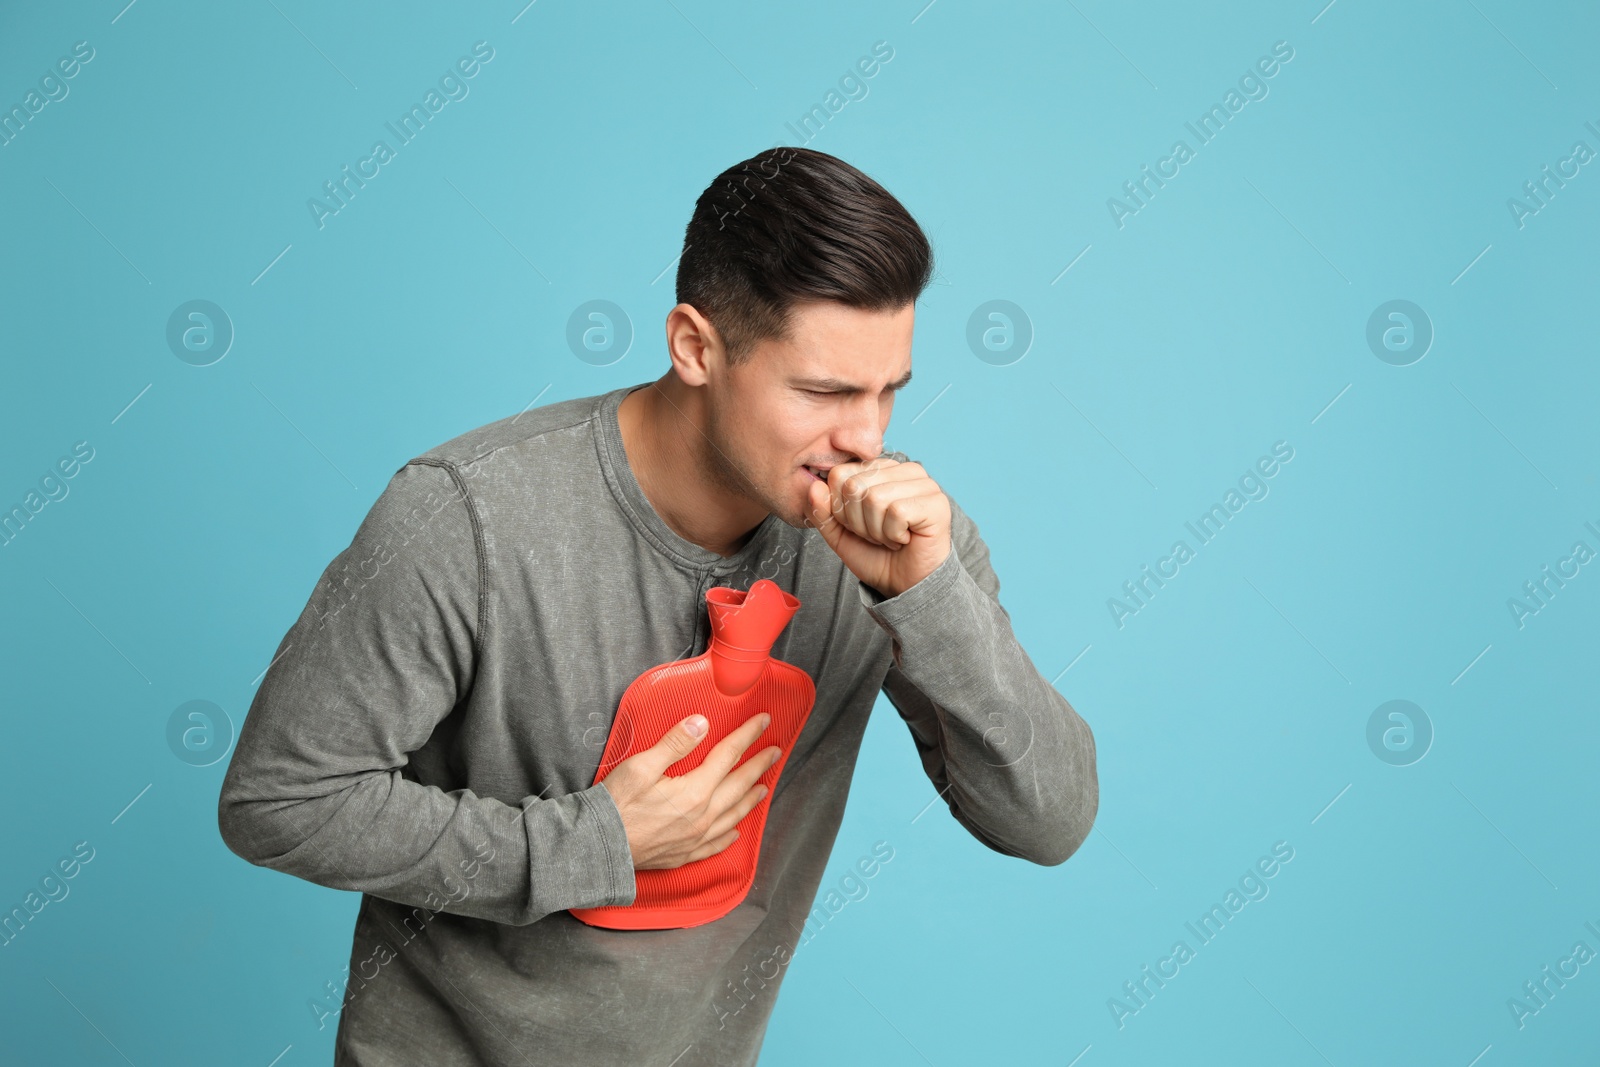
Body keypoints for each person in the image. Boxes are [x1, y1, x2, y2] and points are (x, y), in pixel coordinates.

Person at [217, 146, 1098, 1066]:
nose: (866, 438)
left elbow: (1048, 822)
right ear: (695, 347)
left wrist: (931, 599)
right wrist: (591, 841)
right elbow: (280, 800)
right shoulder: (464, 516)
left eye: (887, 391)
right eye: (824, 392)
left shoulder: (903, 541)